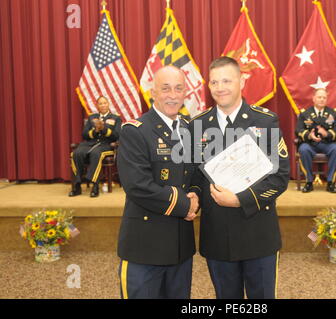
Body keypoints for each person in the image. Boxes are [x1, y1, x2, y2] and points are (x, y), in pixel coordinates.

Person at [188, 57, 290, 299]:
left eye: (226, 80)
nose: (220, 87)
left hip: (258, 233)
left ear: (242, 81)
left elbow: (279, 177)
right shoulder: (197, 125)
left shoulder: (265, 121)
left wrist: (239, 200)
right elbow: (193, 176)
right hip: (217, 237)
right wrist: (193, 195)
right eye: (214, 82)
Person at [116, 65, 199, 299]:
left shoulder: (188, 128)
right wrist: (186, 205)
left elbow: (194, 174)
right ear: (153, 92)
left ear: (185, 93)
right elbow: (137, 185)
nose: (172, 95)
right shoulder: (136, 131)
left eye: (178, 88)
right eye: (165, 88)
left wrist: (196, 195)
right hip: (145, 247)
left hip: (180, 247)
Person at [69, 96, 122, 197]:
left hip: (106, 145)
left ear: (108, 104)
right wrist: (95, 131)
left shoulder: (116, 118)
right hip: (90, 144)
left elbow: (117, 135)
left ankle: (95, 185)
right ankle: (77, 185)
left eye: (105, 103)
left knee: (95, 153)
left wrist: (104, 129)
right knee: (76, 153)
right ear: (97, 106)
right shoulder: (92, 117)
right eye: (100, 103)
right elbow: (84, 134)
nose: (103, 105)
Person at [295, 89, 336, 193]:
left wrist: (327, 134)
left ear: (327, 99)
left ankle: (330, 182)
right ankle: (309, 182)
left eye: (324, 97)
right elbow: (298, 130)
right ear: (314, 98)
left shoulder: (333, 113)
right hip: (310, 144)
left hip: (327, 143)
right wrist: (310, 135)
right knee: (303, 149)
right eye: (319, 97)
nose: (321, 99)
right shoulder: (305, 113)